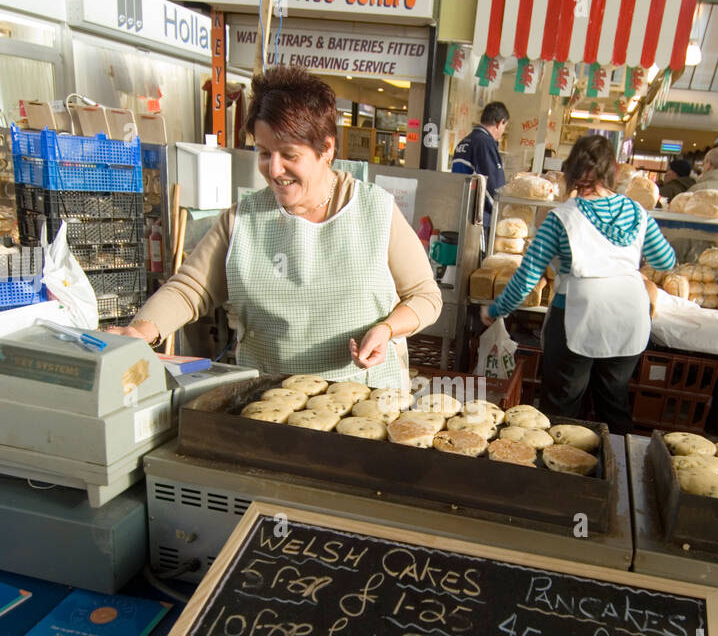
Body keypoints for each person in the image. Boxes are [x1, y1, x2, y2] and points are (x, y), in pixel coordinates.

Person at [109, 66, 441, 390]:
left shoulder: (375, 211)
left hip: (365, 400)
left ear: (327, 149)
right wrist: (143, 330)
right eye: (265, 153)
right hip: (267, 398)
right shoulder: (243, 221)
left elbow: (426, 296)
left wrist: (387, 329)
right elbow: (191, 289)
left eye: (289, 155)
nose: (275, 169)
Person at [480, 134, 676, 433]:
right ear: (614, 171)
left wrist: (494, 310)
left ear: (571, 171)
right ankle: (618, 472)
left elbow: (526, 278)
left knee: (562, 405)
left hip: (578, 315)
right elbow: (666, 261)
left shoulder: (562, 218)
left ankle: (560, 472)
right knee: (613, 402)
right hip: (629, 315)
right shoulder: (639, 213)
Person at [451, 102, 509, 235]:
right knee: (478, 256)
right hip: (478, 219)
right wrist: (500, 210)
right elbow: (491, 185)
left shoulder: (466, 141)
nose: (503, 131)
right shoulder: (484, 143)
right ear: (500, 123)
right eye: (504, 126)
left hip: (461, 213)